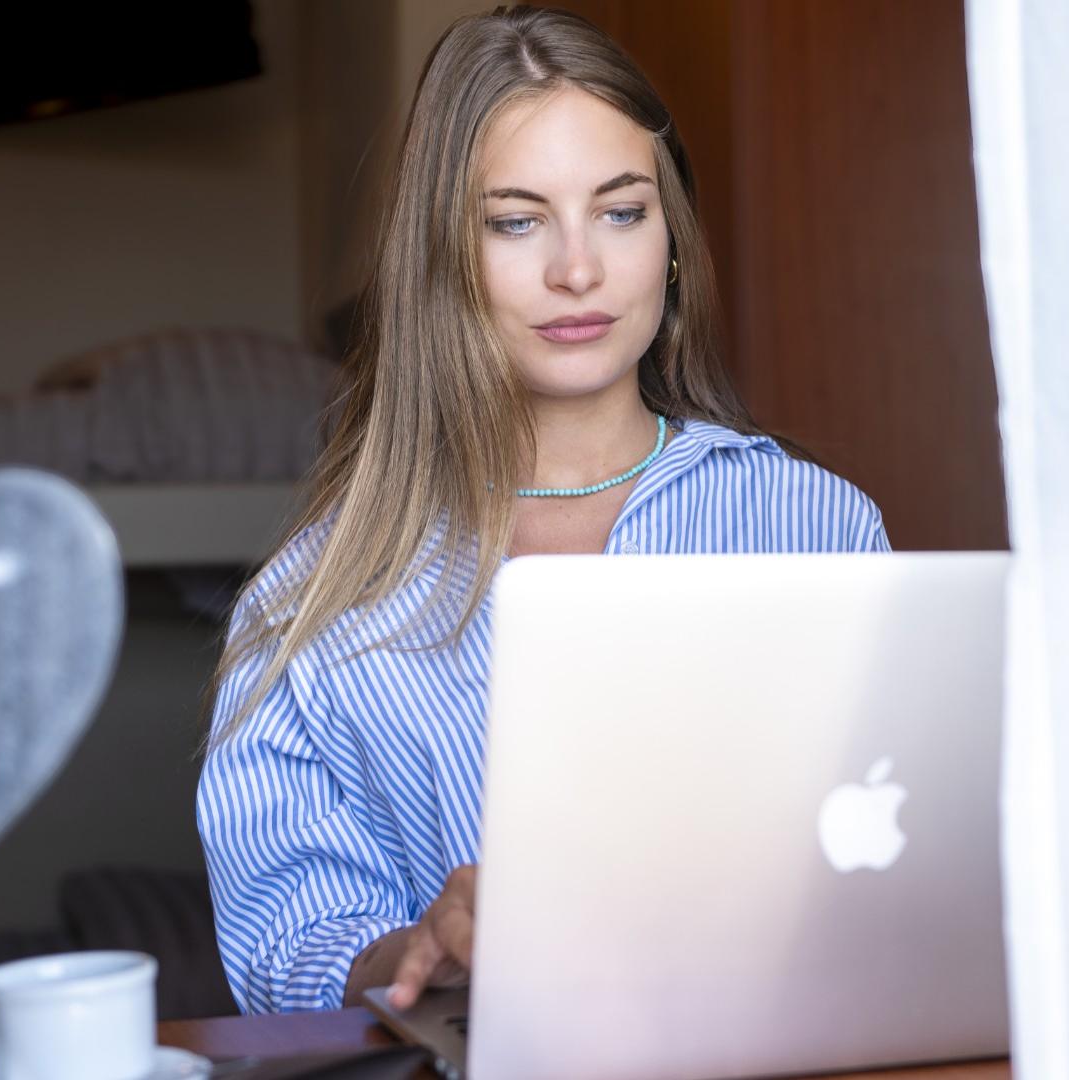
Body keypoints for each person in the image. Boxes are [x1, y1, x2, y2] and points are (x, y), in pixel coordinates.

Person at [196, 4, 889, 1016]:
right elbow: (279, 955)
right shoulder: (308, 606)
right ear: (445, 261)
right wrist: (422, 948)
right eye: (517, 221)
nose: (578, 269)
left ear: (672, 239)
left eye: (621, 211)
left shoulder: (820, 526)